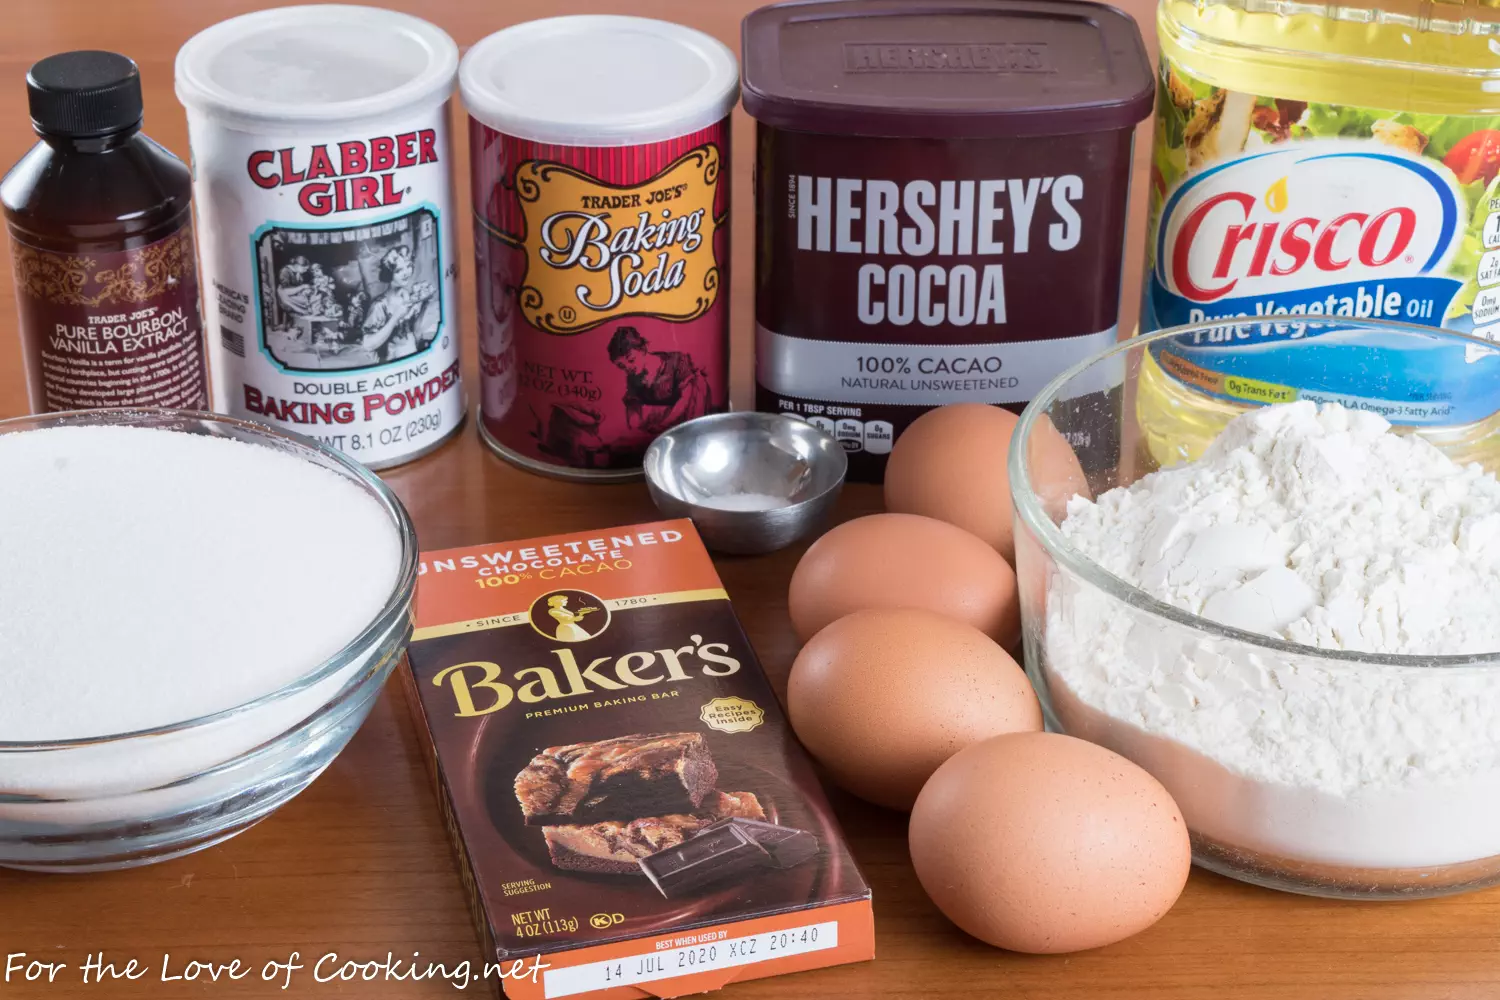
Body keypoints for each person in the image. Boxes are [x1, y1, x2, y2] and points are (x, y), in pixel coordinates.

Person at [607, 326, 713, 435]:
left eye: (631, 360)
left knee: (699, 382)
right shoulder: (633, 378)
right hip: (658, 426)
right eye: (622, 366)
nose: (629, 368)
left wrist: (663, 426)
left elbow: (687, 398)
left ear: (643, 349)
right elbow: (633, 414)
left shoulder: (676, 361)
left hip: (684, 419)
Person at [359, 245, 436, 362]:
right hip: (391, 360)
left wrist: (424, 304)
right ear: (389, 274)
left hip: (411, 353)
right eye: (399, 270)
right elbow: (367, 345)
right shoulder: (380, 304)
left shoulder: (407, 296)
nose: (406, 273)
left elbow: (415, 332)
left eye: (409, 267)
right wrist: (395, 317)